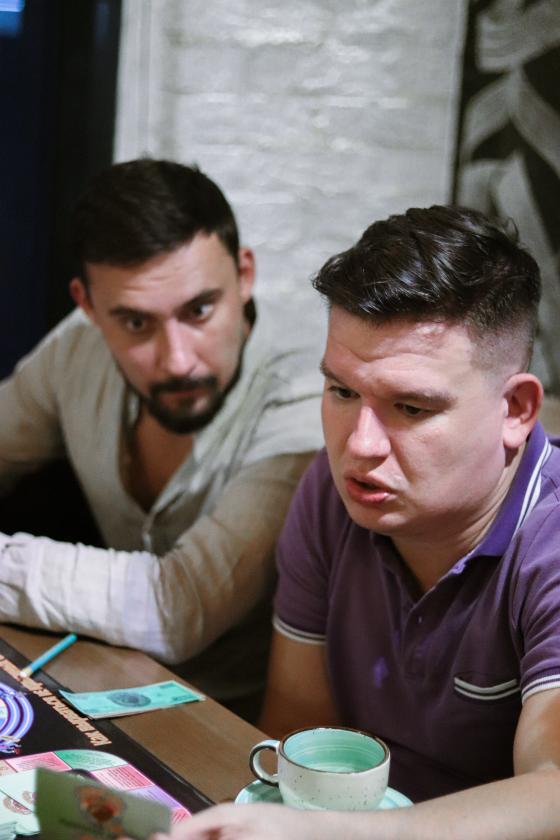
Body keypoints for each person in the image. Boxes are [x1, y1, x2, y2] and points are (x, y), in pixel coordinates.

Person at [153, 205, 560, 837]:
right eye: (342, 392)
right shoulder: (330, 491)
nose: (360, 446)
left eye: (411, 407)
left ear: (516, 410)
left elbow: (553, 789)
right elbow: (297, 735)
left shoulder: (549, 533)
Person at [0, 159, 324, 719]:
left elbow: (179, 608)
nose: (177, 360)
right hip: (88, 683)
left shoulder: (304, 397)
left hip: (234, 724)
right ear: (87, 305)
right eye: (136, 323)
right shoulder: (77, 349)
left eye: (199, 310)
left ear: (244, 275)